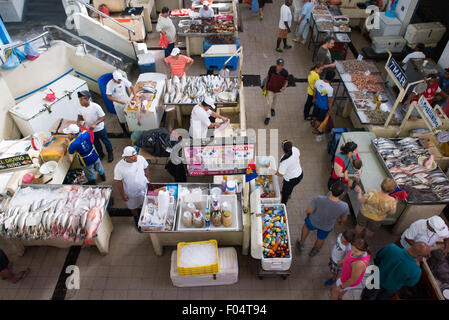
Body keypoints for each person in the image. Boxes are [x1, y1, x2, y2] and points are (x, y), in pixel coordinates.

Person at [361, 242, 430, 300]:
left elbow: (378, 256)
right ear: (420, 256)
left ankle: (365, 297)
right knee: (383, 297)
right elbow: (410, 283)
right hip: (391, 286)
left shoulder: (392, 247)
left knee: (369, 290)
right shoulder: (416, 270)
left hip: (377, 275)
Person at [297, 181, 349, 257]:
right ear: (342, 193)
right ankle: (314, 251)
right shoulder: (344, 206)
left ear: (331, 188)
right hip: (326, 227)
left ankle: (301, 243)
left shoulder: (318, 199)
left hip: (313, 221)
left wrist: (308, 214)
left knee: (306, 227)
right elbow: (344, 219)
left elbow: (309, 210)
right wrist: (340, 221)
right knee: (321, 238)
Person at [114, 146, 151, 226]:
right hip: (131, 191)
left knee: (146, 202)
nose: (135, 157)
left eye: (135, 154)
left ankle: (146, 215)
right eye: (132, 156)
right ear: (125, 157)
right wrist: (123, 194)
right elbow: (119, 182)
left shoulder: (140, 159)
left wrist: (148, 179)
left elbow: (146, 168)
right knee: (133, 206)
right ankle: (136, 217)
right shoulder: (119, 167)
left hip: (144, 187)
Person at [77, 90, 114, 163]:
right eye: (79, 100)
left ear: (87, 99)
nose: (80, 102)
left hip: (100, 129)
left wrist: (95, 124)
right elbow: (80, 116)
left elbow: (103, 117)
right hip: (90, 130)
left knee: (106, 141)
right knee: (96, 143)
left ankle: (110, 154)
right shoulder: (80, 108)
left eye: (81, 100)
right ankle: (101, 154)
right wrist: (79, 122)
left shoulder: (96, 106)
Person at [269, 140, 303, 205]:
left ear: (283, 149)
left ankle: (283, 204)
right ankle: (289, 194)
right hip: (300, 175)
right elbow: (298, 154)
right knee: (291, 186)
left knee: (285, 193)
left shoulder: (284, 161)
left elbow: (280, 174)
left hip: (290, 179)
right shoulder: (295, 149)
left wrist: (270, 168)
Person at [106, 70, 136, 136]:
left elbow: (132, 87)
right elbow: (109, 96)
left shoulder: (123, 80)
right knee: (121, 118)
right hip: (118, 103)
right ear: (114, 79)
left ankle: (130, 127)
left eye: (120, 80)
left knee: (129, 115)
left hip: (126, 99)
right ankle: (125, 131)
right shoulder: (109, 84)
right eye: (118, 81)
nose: (120, 82)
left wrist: (135, 96)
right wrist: (119, 101)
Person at [262, 58, 289, 125]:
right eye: (279, 65)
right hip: (270, 89)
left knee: (275, 101)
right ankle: (268, 117)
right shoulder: (272, 69)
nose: (280, 67)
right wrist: (265, 86)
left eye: (281, 66)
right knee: (269, 103)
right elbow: (267, 77)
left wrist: (285, 86)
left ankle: (273, 109)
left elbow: (286, 81)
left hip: (278, 90)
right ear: (276, 65)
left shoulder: (285, 72)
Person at [312, 69, 335, 134]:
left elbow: (314, 90)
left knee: (315, 115)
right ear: (332, 78)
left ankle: (313, 123)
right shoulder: (330, 89)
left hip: (317, 103)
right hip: (324, 107)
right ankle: (315, 130)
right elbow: (329, 102)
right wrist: (330, 110)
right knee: (319, 120)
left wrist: (314, 98)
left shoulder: (318, 81)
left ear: (325, 75)